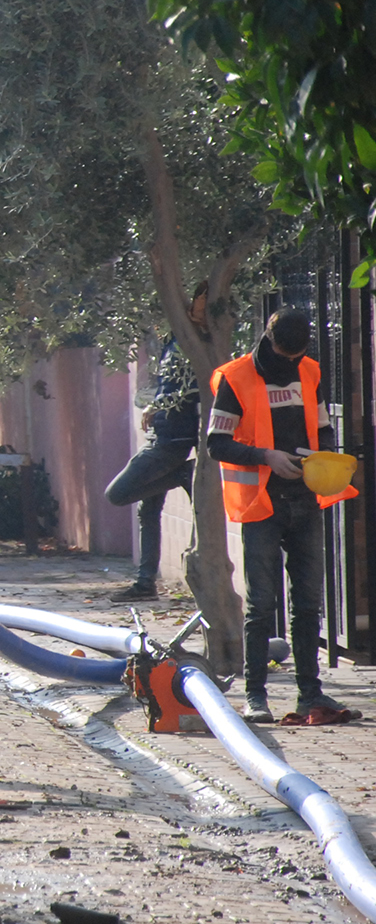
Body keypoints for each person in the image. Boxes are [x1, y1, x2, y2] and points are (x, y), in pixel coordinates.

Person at [208, 306, 361, 726]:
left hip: (305, 500)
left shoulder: (309, 372)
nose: (290, 363)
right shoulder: (235, 378)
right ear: (270, 341)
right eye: (284, 355)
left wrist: (323, 455)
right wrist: (266, 457)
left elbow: (323, 425)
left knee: (309, 603)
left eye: (297, 356)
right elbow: (216, 444)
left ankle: (310, 693)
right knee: (261, 604)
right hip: (262, 503)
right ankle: (255, 695)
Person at [105, 284, 208, 601]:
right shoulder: (176, 339)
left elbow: (197, 390)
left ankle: (181, 474)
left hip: (173, 439)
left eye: (203, 302)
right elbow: (172, 387)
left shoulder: (202, 342)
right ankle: (145, 583)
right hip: (161, 431)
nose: (197, 308)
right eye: (195, 302)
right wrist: (155, 405)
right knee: (148, 510)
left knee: (117, 494)